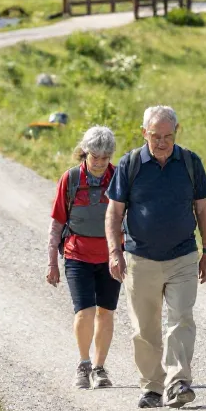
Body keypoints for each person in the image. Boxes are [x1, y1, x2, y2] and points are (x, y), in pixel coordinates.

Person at [106, 106, 206, 409]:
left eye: (168, 136)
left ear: (176, 132)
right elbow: (114, 212)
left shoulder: (190, 163)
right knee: (145, 328)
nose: (163, 142)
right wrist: (115, 252)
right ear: (145, 133)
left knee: (181, 318)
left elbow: (203, 209)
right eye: (156, 136)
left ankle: (179, 381)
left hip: (182, 256)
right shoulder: (130, 164)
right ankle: (153, 386)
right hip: (140, 258)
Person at [46, 126, 121, 390]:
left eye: (105, 157)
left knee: (106, 312)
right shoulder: (71, 179)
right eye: (95, 157)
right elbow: (57, 223)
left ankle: (100, 368)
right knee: (85, 311)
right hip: (77, 254)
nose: (100, 163)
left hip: (111, 257)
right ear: (85, 153)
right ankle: (84, 363)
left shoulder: (118, 178)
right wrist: (52, 263)